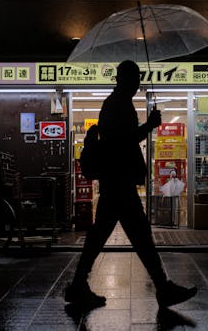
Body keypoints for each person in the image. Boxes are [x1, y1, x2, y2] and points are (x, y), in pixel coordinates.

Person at [65, 60, 197, 309]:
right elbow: (122, 142)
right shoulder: (118, 104)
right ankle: (161, 288)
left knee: (114, 236)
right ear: (124, 79)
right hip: (119, 182)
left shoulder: (115, 103)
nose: (137, 84)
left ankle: (79, 286)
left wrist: (146, 125)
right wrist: (149, 126)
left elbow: (120, 140)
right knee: (137, 236)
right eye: (135, 78)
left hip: (115, 182)